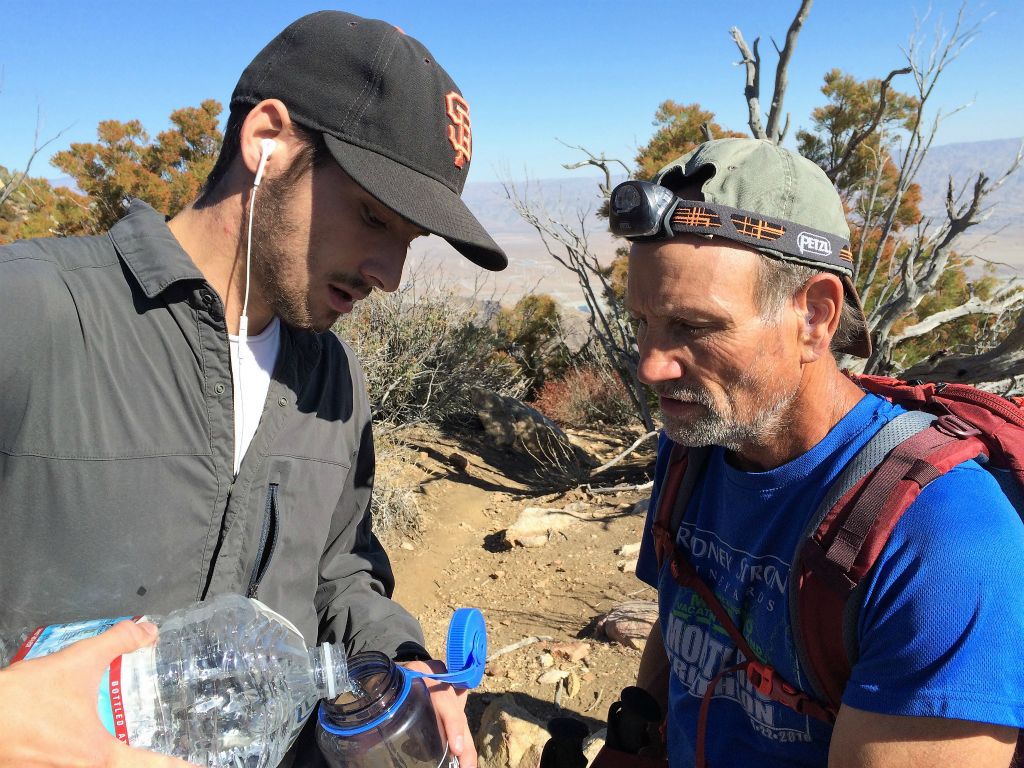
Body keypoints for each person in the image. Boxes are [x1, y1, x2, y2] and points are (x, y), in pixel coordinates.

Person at [0, 10, 503, 767]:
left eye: (411, 240)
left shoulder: (334, 380)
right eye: (373, 216)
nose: (389, 275)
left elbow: (339, 570)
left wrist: (398, 656)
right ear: (267, 138)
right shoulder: (33, 313)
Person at [612, 138, 1024, 767]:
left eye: (693, 328)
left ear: (814, 316)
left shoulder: (942, 541)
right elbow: (683, 621)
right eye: (643, 322)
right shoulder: (695, 450)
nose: (650, 366)